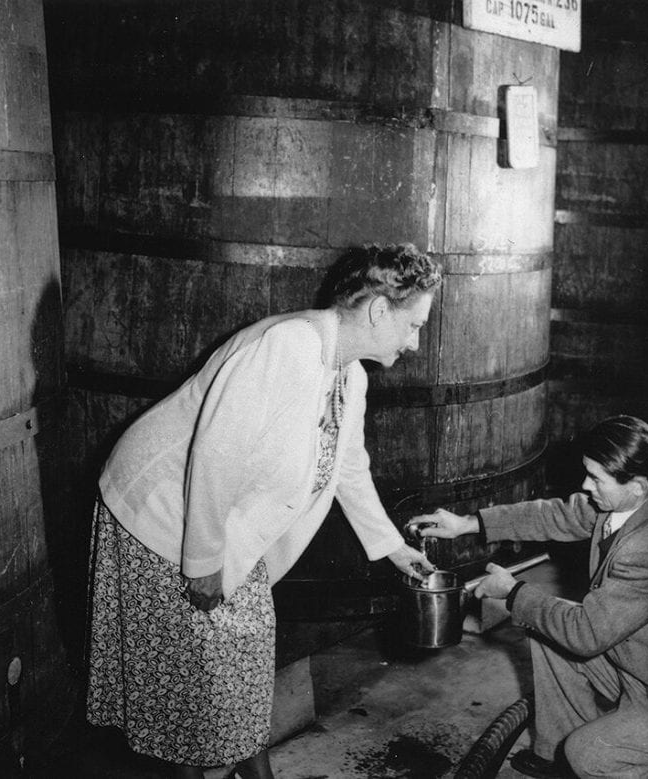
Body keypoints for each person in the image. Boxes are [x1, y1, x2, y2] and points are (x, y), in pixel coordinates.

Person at [85, 243, 441, 779]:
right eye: (413, 324)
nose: (415, 342)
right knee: (192, 693)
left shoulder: (351, 374)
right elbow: (213, 454)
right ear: (377, 311)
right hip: (163, 519)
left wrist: (392, 548)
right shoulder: (290, 346)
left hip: (221, 525)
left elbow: (347, 468)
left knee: (242, 672)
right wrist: (202, 562)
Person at [408, 416, 648, 778]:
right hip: (642, 662)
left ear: (635, 485)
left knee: (588, 755)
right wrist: (467, 524)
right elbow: (560, 515)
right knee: (546, 629)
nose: (586, 486)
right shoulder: (643, 498)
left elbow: (586, 636)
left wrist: (512, 593)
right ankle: (557, 759)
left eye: (596, 479)